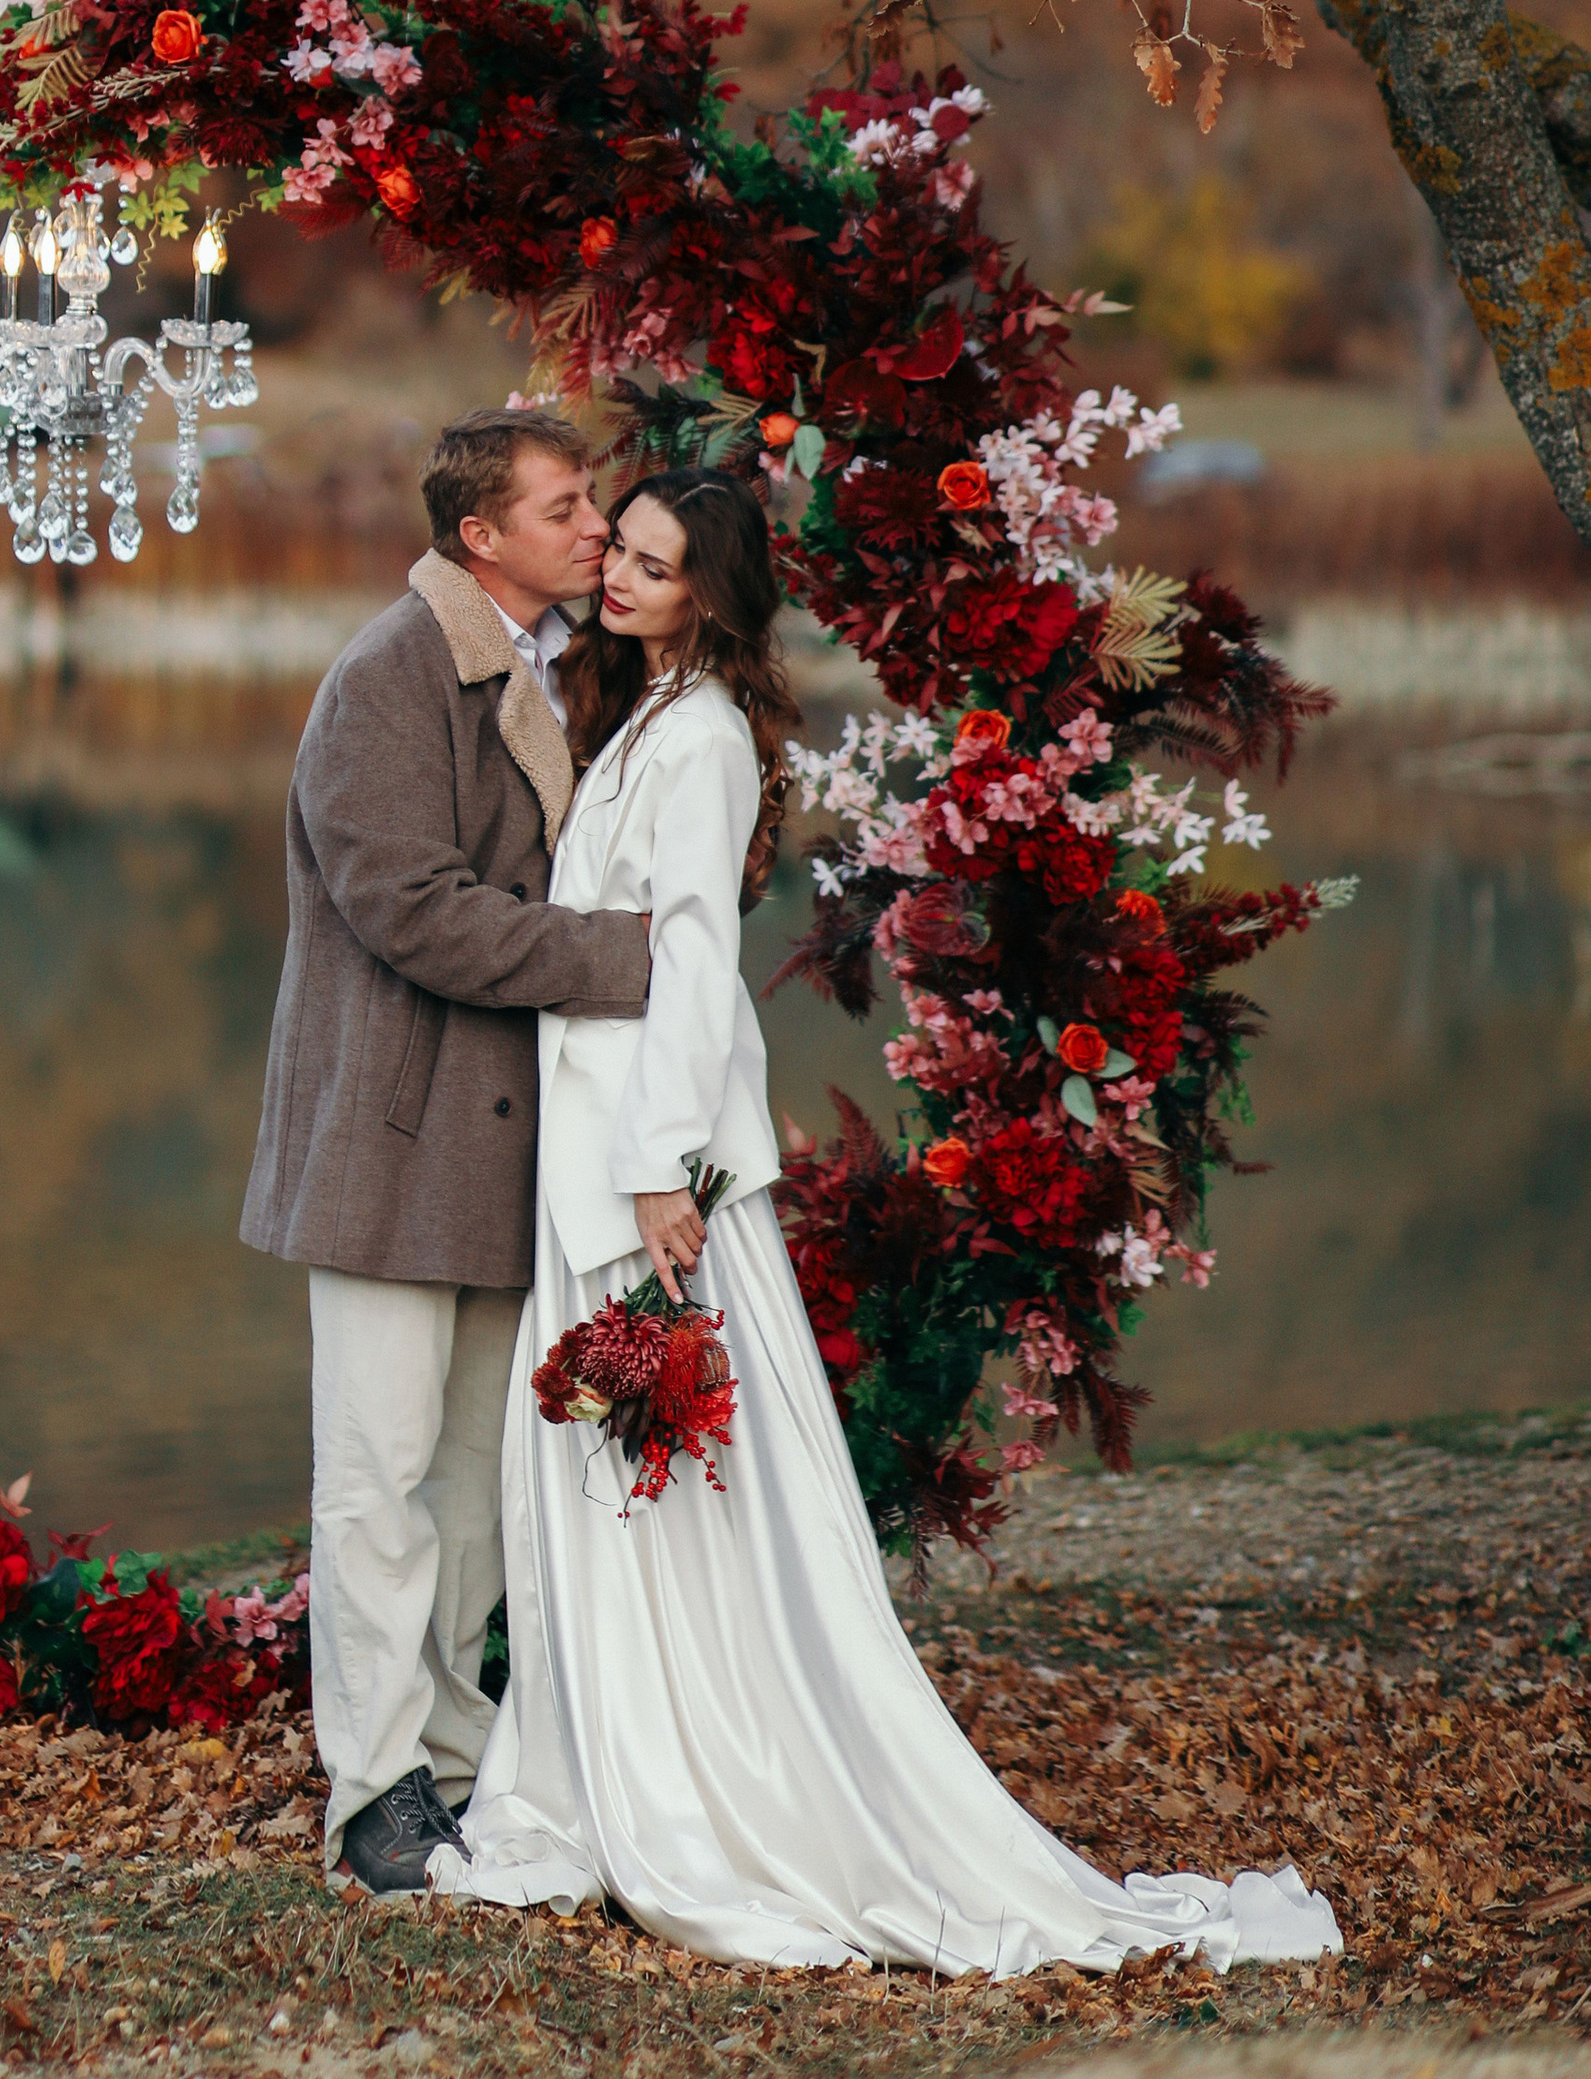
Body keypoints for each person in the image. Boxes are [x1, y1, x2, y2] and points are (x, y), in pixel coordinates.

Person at [436, 466, 1343, 1978]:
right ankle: (607, 1760)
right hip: (591, 1139)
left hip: (648, 1156)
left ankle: (710, 1777)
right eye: (621, 552)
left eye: (654, 563)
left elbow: (688, 959)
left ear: (712, 593)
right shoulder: (644, 710)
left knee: (676, 1463)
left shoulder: (702, 739)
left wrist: (660, 1167)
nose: (620, 575)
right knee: (614, 1460)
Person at [240, 407, 653, 1900]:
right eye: (564, 508)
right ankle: (372, 1795)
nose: (596, 527)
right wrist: (627, 960)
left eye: (593, 501)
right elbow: (408, 906)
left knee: (474, 1485)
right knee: (378, 1477)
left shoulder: (569, 668)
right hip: (390, 1137)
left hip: (510, 1143)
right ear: (480, 536)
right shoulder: (390, 674)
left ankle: (461, 1765)